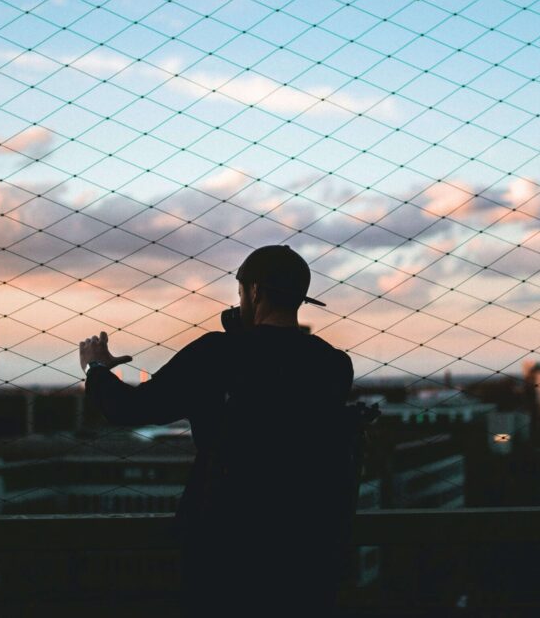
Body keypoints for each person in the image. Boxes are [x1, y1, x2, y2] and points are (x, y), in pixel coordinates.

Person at [79, 245, 355, 617]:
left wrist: (96, 371)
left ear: (254, 291)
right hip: (307, 544)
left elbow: (131, 409)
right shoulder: (333, 366)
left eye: (240, 291)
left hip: (225, 543)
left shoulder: (217, 355)